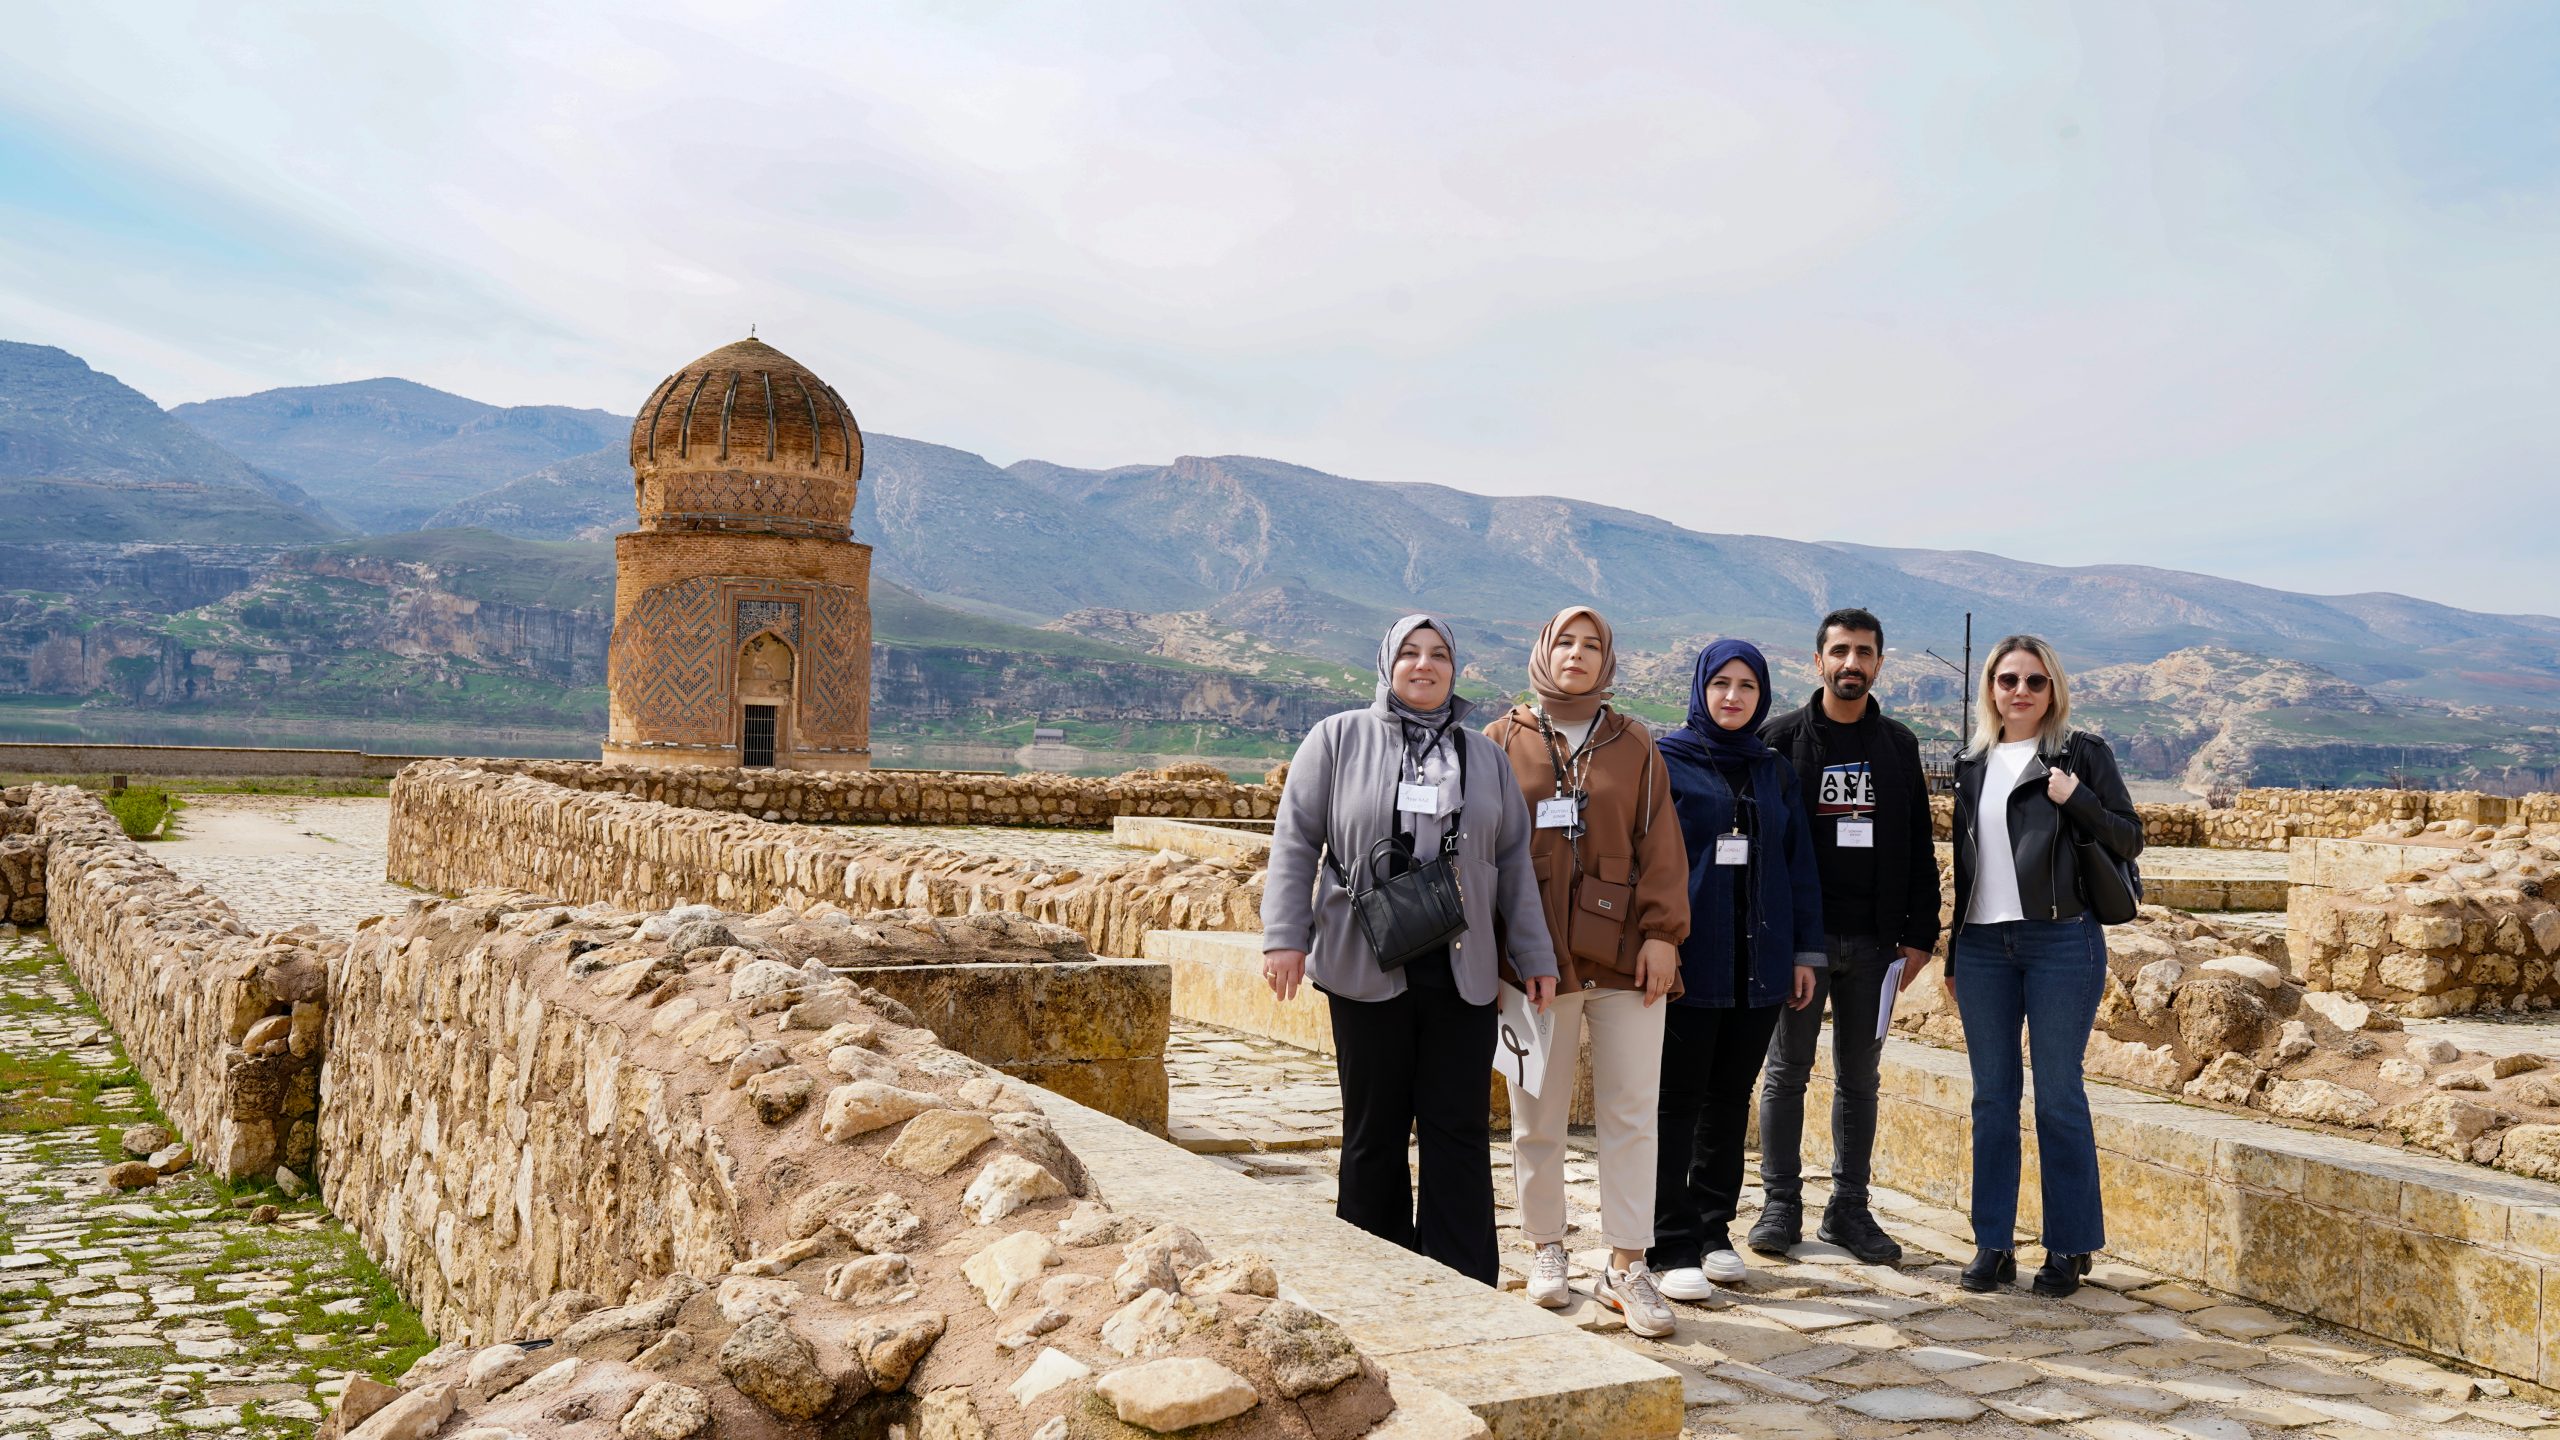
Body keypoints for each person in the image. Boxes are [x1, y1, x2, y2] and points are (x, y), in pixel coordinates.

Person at [1261, 614, 1560, 1285]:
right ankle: (1373, 1275)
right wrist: (1285, 938)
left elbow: (1513, 860)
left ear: (1455, 668)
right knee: (1375, 1125)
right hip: (1365, 956)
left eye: (1439, 655)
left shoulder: (1483, 755)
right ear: (1387, 664)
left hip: (1462, 963)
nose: (1423, 666)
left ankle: (1460, 1280)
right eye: (1410, 654)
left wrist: (1537, 958)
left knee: (1456, 1126)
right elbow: (1296, 841)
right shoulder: (1337, 739)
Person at [1485, 607, 1690, 1336]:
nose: (1577, 654)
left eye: (1592, 644)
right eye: (1565, 641)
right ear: (1542, 650)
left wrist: (1665, 934)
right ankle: (1546, 1248)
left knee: (1632, 1113)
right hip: (1535, 963)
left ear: (1608, 661)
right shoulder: (1502, 740)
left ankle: (1627, 1265)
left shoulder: (1634, 741)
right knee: (1534, 1116)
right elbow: (1487, 851)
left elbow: (1661, 840)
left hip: (1627, 959)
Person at [1948, 634, 2141, 1298]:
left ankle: (2069, 1247)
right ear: (1991, 689)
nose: (2021, 692)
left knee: (2059, 1095)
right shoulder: (1969, 763)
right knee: (1992, 1099)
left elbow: (2128, 834)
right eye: (2008, 680)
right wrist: (1952, 955)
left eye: (2035, 681)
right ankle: (1992, 1244)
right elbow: (1964, 866)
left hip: (2063, 944)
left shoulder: (2080, 754)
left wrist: (2075, 797)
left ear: (2052, 689)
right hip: (1981, 949)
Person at [1752, 607, 1942, 1265]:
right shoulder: (1779, 741)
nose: (1851, 663)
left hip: (1877, 945)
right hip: (1801, 944)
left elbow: (1920, 842)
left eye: (1864, 652)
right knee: (1786, 1072)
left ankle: (1849, 1211)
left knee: (1861, 1078)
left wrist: (1922, 935)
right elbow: (1763, 851)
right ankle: (1780, 1205)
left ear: (1879, 663)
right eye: (1840, 651)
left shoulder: (1898, 745)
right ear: (1818, 662)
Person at [1648, 638, 1823, 1302]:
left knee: (1728, 1102)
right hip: (1690, 964)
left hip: (1760, 965)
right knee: (1677, 1104)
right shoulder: (1666, 761)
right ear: (1700, 688)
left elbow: (1797, 863)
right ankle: (1670, 1241)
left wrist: (1805, 952)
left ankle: (1714, 1229)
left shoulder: (1774, 770)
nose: (1732, 696)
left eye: (1746, 686)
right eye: (1721, 683)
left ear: (1762, 696)